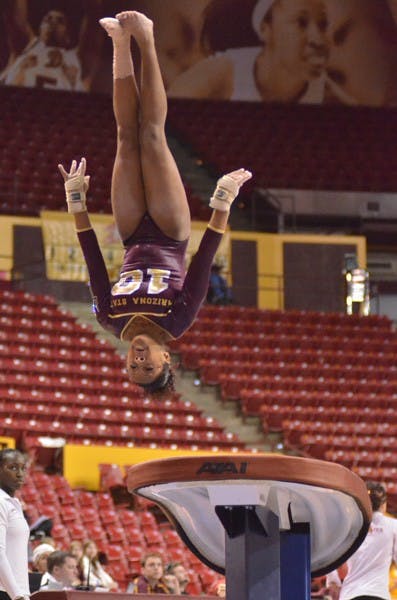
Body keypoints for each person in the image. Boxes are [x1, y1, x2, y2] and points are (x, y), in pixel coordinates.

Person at [58, 10, 252, 395]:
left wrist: (76, 203)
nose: (139, 361)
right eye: (148, 367)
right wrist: (222, 204)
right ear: (167, 359)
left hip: (131, 234)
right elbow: (202, 264)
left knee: (125, 138)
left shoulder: (109, 319)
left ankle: (119, 45)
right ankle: (146, 39)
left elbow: (94, 263)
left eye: (133, 367)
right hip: (169, 233)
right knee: (151, 136)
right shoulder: (178, 320)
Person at [167, 0, 330, 103]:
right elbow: (160, 122)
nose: (318, 40)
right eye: (301, 23)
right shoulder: (222, 73)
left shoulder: (329, 96)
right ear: (265, 28)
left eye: (323, 25)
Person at [1, 0, 103, 91]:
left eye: (60, 21)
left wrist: (94, 4)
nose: (53, 22)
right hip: (15, 108)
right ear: (40, 29)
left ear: (68, 36)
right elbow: (13, 13)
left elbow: (94, 20)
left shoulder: (78, 59)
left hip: (58, 110)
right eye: (47, 19)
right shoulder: (26, 47)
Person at [326, 481, 397, 600]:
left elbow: (329, 554)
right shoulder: (393, 525)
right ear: (383, 504)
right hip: (379, 594)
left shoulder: (348, 525)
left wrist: (333, 581)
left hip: (351, 594)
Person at [0, 448, 30, 600]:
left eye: (23, 468)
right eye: (12, 468)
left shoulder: (13, 503)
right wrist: (16, 595)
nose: (20, 474)